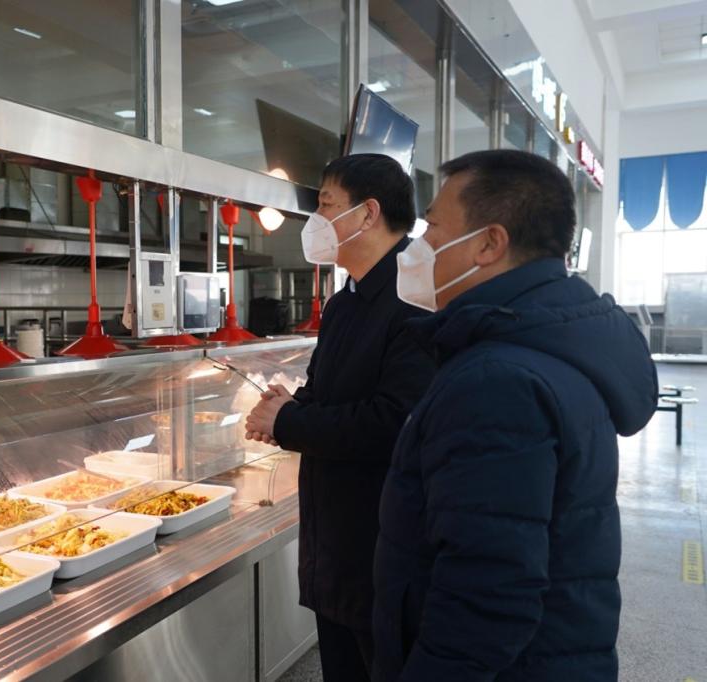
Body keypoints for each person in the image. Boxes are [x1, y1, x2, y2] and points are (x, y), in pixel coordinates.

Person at [372, 150, 658, 681]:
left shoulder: (496, 380)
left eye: (433, 226)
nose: (419, 245)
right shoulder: (548, 340)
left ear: (489, 244)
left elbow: (485, 593)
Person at [245, 154, 436, 680]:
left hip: (383, 546)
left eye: (326, 205)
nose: (317, 221)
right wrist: (290, 406)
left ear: (368, 213)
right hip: (335, 545)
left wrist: (289, 423)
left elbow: (396, 422)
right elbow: (330, 391)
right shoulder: (345, 300)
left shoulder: (414, 297)